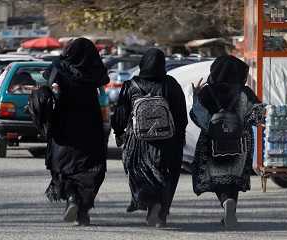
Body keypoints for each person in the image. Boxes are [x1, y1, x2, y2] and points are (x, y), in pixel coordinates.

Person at [111, 48, 187, 228]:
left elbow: (121, 114)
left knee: (141, 174)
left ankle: (150, 204)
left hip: (138, 143)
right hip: (167, 142)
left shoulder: (131, 85)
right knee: (166, 176)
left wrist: (118, 132)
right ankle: (161, 211)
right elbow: (181, 116)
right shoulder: (171, 84)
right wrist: (179, 138)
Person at [190, 55, 265, 228]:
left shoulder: (206, 92)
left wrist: (196, 96)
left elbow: (197, 117)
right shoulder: (245, 92)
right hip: (240, 144)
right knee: (233, 178)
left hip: (212, 144)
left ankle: (225, 202)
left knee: (218, 179)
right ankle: (231, 209)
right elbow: (258, 116)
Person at [43, 38, 109, 226]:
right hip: (91, 123)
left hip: (64, 123)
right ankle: (83, 211)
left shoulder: (59, 66)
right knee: (92, 167)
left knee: (64, 165)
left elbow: (46, 81)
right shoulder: (95, 69)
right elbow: (103, 84)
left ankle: (72, 197)